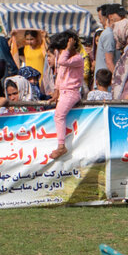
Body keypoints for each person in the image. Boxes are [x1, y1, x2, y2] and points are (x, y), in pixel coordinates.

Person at [47, 30, 84, 161]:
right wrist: (56, 92)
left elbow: (62, 62)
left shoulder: (77, 58)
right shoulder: (65, 57)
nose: (62, 52)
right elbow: (59, 76)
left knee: (59, 116)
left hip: (72, 92)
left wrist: (68, 49)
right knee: (58, 115)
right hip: (63, 92)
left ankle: (61, 146)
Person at [96, 4, 126, 74]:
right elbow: (109, 62)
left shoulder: (113, 33)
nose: (123, 19)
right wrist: (119, 80)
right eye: (121, 16)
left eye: (124, 16)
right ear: (111, 17)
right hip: (106, 82)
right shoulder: (109, 35)